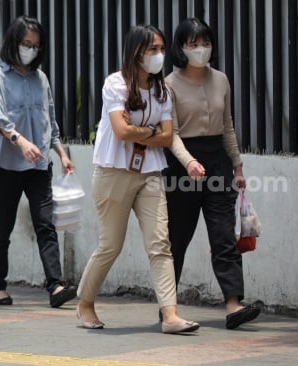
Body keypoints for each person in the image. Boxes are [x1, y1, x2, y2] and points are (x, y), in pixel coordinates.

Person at [76, 25, 199, 334]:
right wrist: (151, 133)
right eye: (152, 49)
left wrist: (142, 132)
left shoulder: (163, 91)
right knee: (111, 246)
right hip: (113, 172)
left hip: (150, 173)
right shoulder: (115, 84)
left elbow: (169, 135)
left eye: (161, 48)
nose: (159, 55)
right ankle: (85, 302)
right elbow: (121, 131)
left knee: (160, 244)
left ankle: (170, 315)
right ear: (136, 52)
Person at [164, 18, 260, 330]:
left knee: (223, 236)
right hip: (182, 166)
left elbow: (227, 127)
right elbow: (172, 133)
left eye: (205, 42)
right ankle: (169, 308)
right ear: (181, 47)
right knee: (177, 238)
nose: (200, 49)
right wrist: (188, 161)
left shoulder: (221, 80)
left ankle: (233, 304)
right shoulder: (169, 83)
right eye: (192, 43)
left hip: (217, 162)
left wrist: (238, 165)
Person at [0, 16, 77, 308]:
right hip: (5, 166)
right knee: (2, 229)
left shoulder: (41, 79)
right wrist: (21, 141)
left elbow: (49, 120)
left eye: (36, 46)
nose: (31, 50)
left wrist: (62, 153)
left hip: (39, 166)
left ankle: (56, 285)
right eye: (26, 44)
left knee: (45, 225)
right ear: (14, 43)